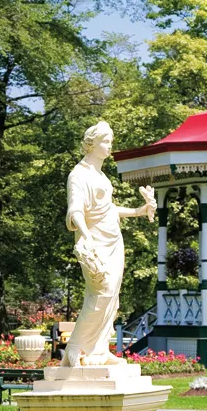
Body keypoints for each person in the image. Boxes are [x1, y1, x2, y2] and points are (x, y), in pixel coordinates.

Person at [60, 121, 155, 367]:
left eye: (111, 141)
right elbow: (76, 210)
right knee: (100, 294)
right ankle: (75, 347)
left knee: (112, 296)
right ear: (91, 144)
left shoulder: (101, 176)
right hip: (95, 242)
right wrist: (86, 236)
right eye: (105, 141)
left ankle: (99, 350)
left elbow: (109, 209)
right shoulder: (78, 175)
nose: (109, 146)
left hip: (114, 240)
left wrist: (140, 210)